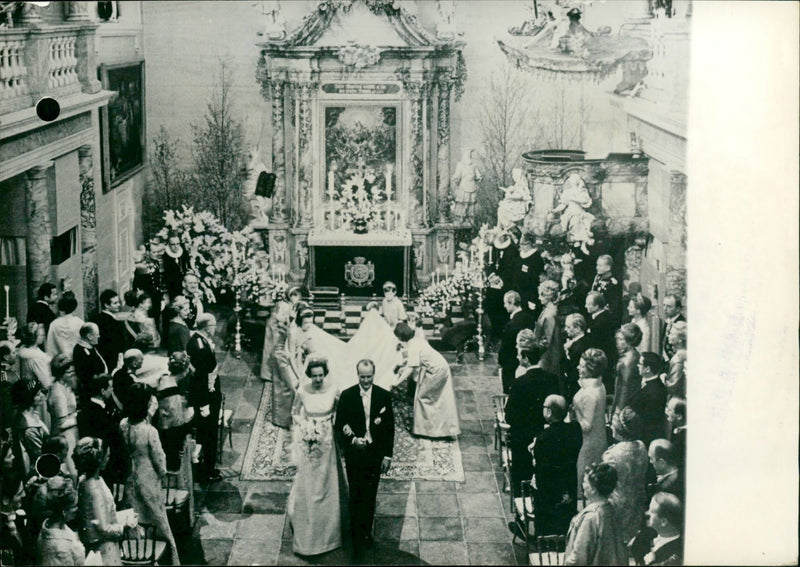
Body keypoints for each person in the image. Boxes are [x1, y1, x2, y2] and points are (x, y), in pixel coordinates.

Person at [334, 359, 394, 562]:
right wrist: (352, 439)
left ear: (374, 375)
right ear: (357, 374)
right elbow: (340, 423)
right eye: (362, 376)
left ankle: (366, 530)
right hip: (355, 453)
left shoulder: (383, 396)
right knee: (356, 492)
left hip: (375, 454)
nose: (366, 380)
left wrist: (387, 455)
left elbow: (389, 428)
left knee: (370, 493)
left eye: (369, 376)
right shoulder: (348, 395)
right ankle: (355, 533)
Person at [287, 356, 346, 556]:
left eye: (321, 375)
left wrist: (333, 422)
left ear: (325, 374)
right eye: (315, 376)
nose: (318, 379)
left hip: (328, 440)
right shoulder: (302, 391)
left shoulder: (333, 390)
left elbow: (339, 410)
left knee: (327, 481)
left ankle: (331, 533)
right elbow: (294, 413)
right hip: (309, 441)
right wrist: (305, 426)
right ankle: (308, 534)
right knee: (310, 483)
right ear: (309, 376)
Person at [119, 384, 180, 564]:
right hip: (148, 476)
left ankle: (135, 550)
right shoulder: (149, 431)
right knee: (156, 515)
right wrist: (162, 473)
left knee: (135, 512)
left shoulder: (123, 424)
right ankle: (168, 555)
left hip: (130, 474)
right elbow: (159, 459)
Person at [505, 344, 558, 498]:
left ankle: (521, 510)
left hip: (522, 437)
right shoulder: (552, 379)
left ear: (526, 359)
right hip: (545, 434)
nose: (517, 357)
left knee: (521, 473)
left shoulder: (519, 383)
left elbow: (509, 415)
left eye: (519, 355)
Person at [74, 436, 137, 565]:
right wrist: (124, 526)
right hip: (104, 550)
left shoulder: (85, 480)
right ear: (99, 460)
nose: (109, 459)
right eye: (107, 457)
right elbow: (102, 528)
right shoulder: (94, 489)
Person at [528, 394, 583, 537]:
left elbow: (541, 469)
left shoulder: (544, 438)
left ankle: (542, 539)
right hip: (569, 483)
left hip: (549, 490)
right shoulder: (575, 430)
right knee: (565, 521)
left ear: (549, 412)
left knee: (547, 525)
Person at [393, 322, 460, 438]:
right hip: (441, 366)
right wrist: (401, 363)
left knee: (422, 398)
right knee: (435, 399)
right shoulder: (416, 340)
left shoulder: (412, 345)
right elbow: (415, 358)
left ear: (400, 337)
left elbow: (411, 368)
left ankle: (426, 431)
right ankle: (437, 428)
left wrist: (396, 382)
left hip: (436, 371)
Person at [564, 462, 628, 566]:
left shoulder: (590, 517)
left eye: (585, 482)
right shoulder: (612, 509)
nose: (583, 485)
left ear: (593, 490)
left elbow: (579, 559)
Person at [602, 408, 649, 545]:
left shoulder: (612, 454)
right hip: (637, 501)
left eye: (613, 424)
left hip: (617, 503)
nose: (611, 427)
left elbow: (605, 481)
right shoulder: (641, 446)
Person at [186, 314, 222, 484]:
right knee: (208, 433)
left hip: (208, 393)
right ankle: (207, 470)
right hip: (206, 397)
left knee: (207, 433)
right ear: (207, 327)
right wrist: (204, 403)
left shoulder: (198, 340)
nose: (215, 328)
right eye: (213, 325)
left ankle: (206, 467)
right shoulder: (200, 347)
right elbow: (201, 378)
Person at [571, 348, 608, 499]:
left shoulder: (590, 394)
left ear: (590, 369)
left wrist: (576, 411)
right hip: (597, 438)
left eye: (582, 366)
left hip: (588, 443)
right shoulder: (599, 385)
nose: (578, 368)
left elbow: (586, 425)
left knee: (583, 476)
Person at [77, 374, 125, 486]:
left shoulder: (91, 407)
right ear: (103, 391)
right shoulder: (96, 412)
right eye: (110, 387)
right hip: (100, 459)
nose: (112, 389)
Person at [155, 353, 194, 471]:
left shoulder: (165, 378)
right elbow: (176, 422)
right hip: (170, 435)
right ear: (185, 370)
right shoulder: (173, 393)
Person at [34, 475, 84, 566]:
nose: (77, 509)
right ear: (63, 511)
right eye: (74, 507)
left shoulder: (50, 526)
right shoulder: (60, 548)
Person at [628, 492, 684, 566]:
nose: (646, 513)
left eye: (652, 511)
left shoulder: (676, 554)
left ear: (663, 522)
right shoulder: (646, 535)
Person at [47, 355, 80, 479]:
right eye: (69, 372)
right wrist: (79, 417)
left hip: (72, 432)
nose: (72, 374)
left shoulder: (65, 386)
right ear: (61, 374)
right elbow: (62, 423)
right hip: (65, 435)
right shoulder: (58, 393)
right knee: (71, 469)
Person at [10, 378, 49, 481]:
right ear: (28, 398)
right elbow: (39, 457)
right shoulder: (29, 429)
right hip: (37, 474)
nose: (42, 396)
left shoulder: (32, 416)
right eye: (37, 395)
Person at [498, 290, 536, 394]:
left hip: (511, 364)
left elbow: (505, 348)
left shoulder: (511, 325)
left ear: (512, 303)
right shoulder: (529, 318)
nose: (504, 306)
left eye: (506, 303)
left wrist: (501, 362)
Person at [629, 353, 668, 447]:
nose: (637, 366)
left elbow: (649, 422)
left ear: (647, 369)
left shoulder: (655, 392)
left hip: (646, 439)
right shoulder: (646, 382)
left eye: (640, 364)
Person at [270, 317, 299, 429]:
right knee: (289, 387)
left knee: (283, 387)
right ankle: (283, 419)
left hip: (281, 356)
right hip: (281, 358)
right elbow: (288, 351)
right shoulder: (289, 329)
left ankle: (282, 418)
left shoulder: (291, 326)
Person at [584, 291, 616, 386]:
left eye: (588, 304)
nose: (585, 306)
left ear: (596, 306)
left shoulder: (601, 322)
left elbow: (593, 341)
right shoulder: (600, 316)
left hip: (601, 359)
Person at [72, 323, 108, 406]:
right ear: (89, 336)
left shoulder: (91, 347)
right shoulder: (80, 351)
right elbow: (86, 376)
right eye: (97, 334)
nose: (99, 336)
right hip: (91, 394)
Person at [611, 323, 642, 418]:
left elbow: (625, 386)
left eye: (621, 339)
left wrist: (619, 409)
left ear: (629, 341)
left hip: (626, 402)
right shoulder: (634, 354)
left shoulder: (628, 360)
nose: (618, 342)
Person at [532, 279, 563, 377]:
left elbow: (546, 341)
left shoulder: (549, 314)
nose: (539, 298)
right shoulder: (548, 310)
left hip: (548, 357)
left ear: (548, 297)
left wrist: (532, 350)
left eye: (542, 295)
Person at [92, 290, 126, 372]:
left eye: (118, 302)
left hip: (100, 359)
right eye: (115, 303)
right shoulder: (115, 323)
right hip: (112, 361)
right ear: (106, 305)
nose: (119, 305)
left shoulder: (95, 318)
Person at [513, 233, 545, 313]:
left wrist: (532, 298)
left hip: (530, 293)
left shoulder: (536, 258)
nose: (522, 246)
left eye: (525, 244)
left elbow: (535, 280)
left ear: (531, 243)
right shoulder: (519, 255)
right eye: (521, 244)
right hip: (518, 291)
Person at [563, 313, 591, 403]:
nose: (565, 330)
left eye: (568, 327)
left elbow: (570, 371)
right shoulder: (586, 340)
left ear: (578, 328)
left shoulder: (577, 349)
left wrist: (566, 353)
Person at [45, 293, 83, 358]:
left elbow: (50, 346)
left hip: (61, 360)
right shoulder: (80, 323)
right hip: (77, 358)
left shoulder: (54, 324)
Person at [18, 322, 53, 390]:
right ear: (34, 337)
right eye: (41, 335)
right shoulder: (36, 357)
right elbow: (46, 382)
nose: (43, 337)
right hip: (38, 391)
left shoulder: (31, 351)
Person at [451, 148, 482, 222]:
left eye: (470, 154)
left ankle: (470, 217)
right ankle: (461, 217)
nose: (470, 156)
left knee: (471, 203)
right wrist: (456, 179)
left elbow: (477, 174)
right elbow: (458, 174)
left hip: (472, 185)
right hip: (464, 186)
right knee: (463, 202)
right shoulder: (460, 164)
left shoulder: (474, 165)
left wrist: (479, 177)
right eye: (469, 154)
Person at [591, 255, 622, 325]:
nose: (596, 267)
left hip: (606, 319)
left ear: (608, 268)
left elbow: (614, 306)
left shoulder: (613, 283)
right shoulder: (598, 277)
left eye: (600, 266)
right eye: (597, 265)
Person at [162, 232, 190, 303]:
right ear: (169, 244)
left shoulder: (183, 252)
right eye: (173, 244)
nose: (176, 246)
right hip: (171, 284)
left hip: (183, 282)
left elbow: (186, 266)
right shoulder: (164, 255)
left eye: (178, 244)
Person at [660, 295, 685, 361]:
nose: (665, 309)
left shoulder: (681, 324)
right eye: (664, 305)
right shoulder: (668, 321)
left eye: (669, 306)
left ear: (678, 309)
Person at [665, 322, 686, 399]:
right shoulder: (682, 354)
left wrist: (662, 379)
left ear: (680, 340)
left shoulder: (679, 358)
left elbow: (673, 386)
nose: (668, 336)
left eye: (671, 334)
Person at [665, 397, 686, 466]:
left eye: (669, 410)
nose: (666, 411)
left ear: (679, 416)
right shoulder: (676, 427)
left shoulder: (684, 439)